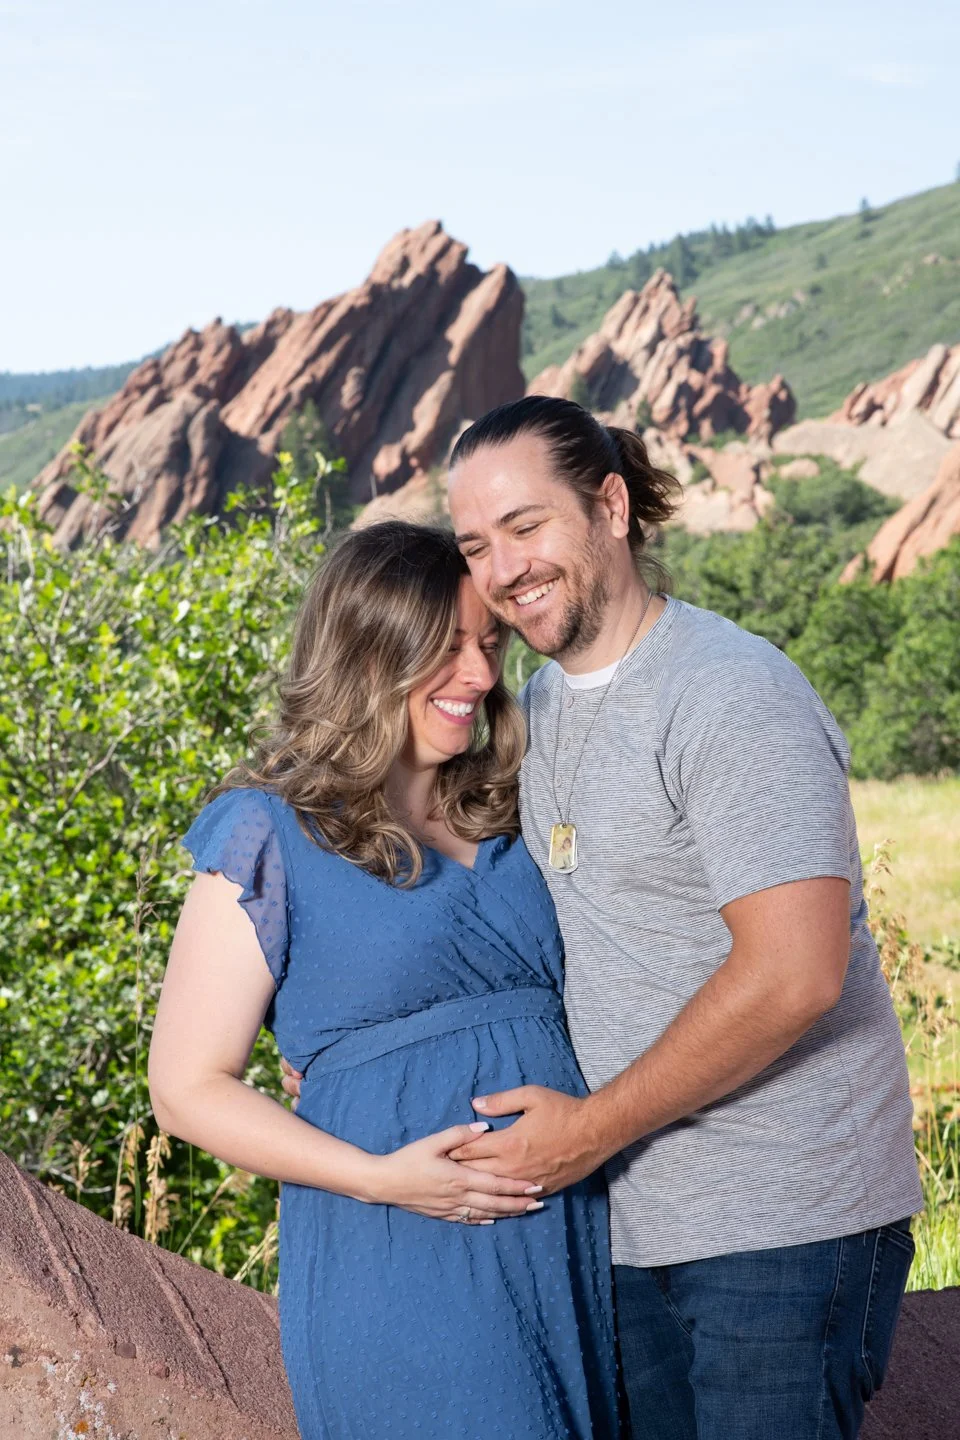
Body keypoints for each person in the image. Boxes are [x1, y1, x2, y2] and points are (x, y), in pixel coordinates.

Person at [431, 395, 924, 1439]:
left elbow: (796, 974)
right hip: (633, 1224)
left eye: (526, 526)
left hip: (784, 1218)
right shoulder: (539, 706)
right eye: (476, 546)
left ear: (610, 508)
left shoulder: (729, 692)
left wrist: (586, 1134)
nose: (504, 568)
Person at [148, 520, 620, 1440]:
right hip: (402, 1247)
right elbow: (185, 1087)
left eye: (489, 644)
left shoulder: (515, 806)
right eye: (446, 648)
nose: (479, 675)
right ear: (367, 652)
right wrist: (377, 1177)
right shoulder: (270, 830)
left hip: (564, 1246)